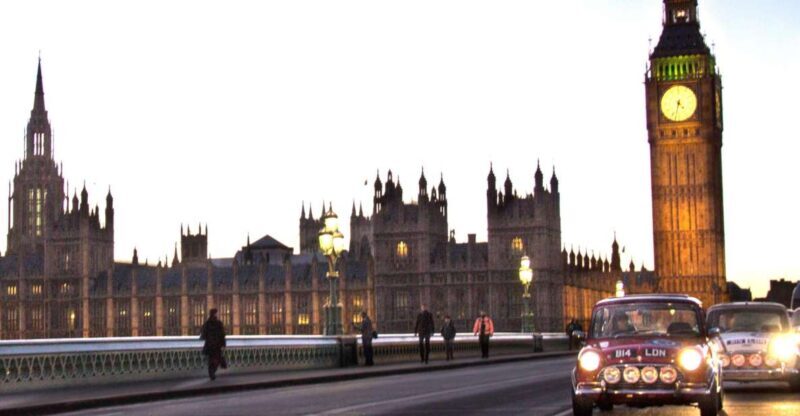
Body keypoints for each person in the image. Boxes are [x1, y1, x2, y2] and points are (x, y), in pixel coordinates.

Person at [200, 308, 226, 380]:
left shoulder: (207, 323)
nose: (218, 314)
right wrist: (223, 344)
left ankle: (211, 372)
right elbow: (222, 334)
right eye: (217, 313)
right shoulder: (218, 323)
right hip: (217, 345)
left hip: (210, 345)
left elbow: (203, 334)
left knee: (211, 360)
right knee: (216, 359)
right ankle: (212, 372)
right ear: (215, 314)